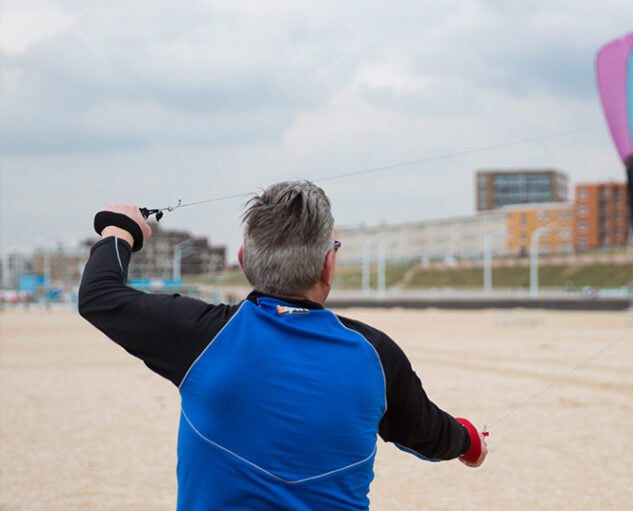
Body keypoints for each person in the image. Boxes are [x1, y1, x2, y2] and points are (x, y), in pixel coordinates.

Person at [78, 181, 487, 510]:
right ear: (328, 266)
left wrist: (120, 231)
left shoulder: (202, 336)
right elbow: (429, 434)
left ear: (244, 261)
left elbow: (99, 296)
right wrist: (469, 442)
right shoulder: (374, 355)